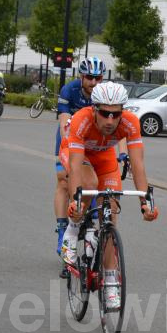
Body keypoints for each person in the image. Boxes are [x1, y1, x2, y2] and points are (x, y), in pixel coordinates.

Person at [59, 82, 159, 310]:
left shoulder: (130, 123)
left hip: (104, 158)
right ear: (94, 109)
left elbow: (138, 165)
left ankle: (111, 282)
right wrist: (75, 202)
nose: (110, 120)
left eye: (116, 114)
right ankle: (72, 230)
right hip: (76, 154)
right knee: (89, 183)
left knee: (110, 214)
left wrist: (146, 203)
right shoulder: (81, 120)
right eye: (105, 113)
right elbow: (75, 167)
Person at [53, 57, 106, 260]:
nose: (93, 82)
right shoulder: (69, 90)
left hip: (93, 141)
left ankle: (91, 219)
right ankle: (62, 229)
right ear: (81, 77)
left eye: (98, 78)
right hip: (69, 138)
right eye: (89, 78)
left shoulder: (104, 93)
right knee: (63, 181)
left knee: (94, 181)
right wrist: (72, 151)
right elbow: (64, 124)